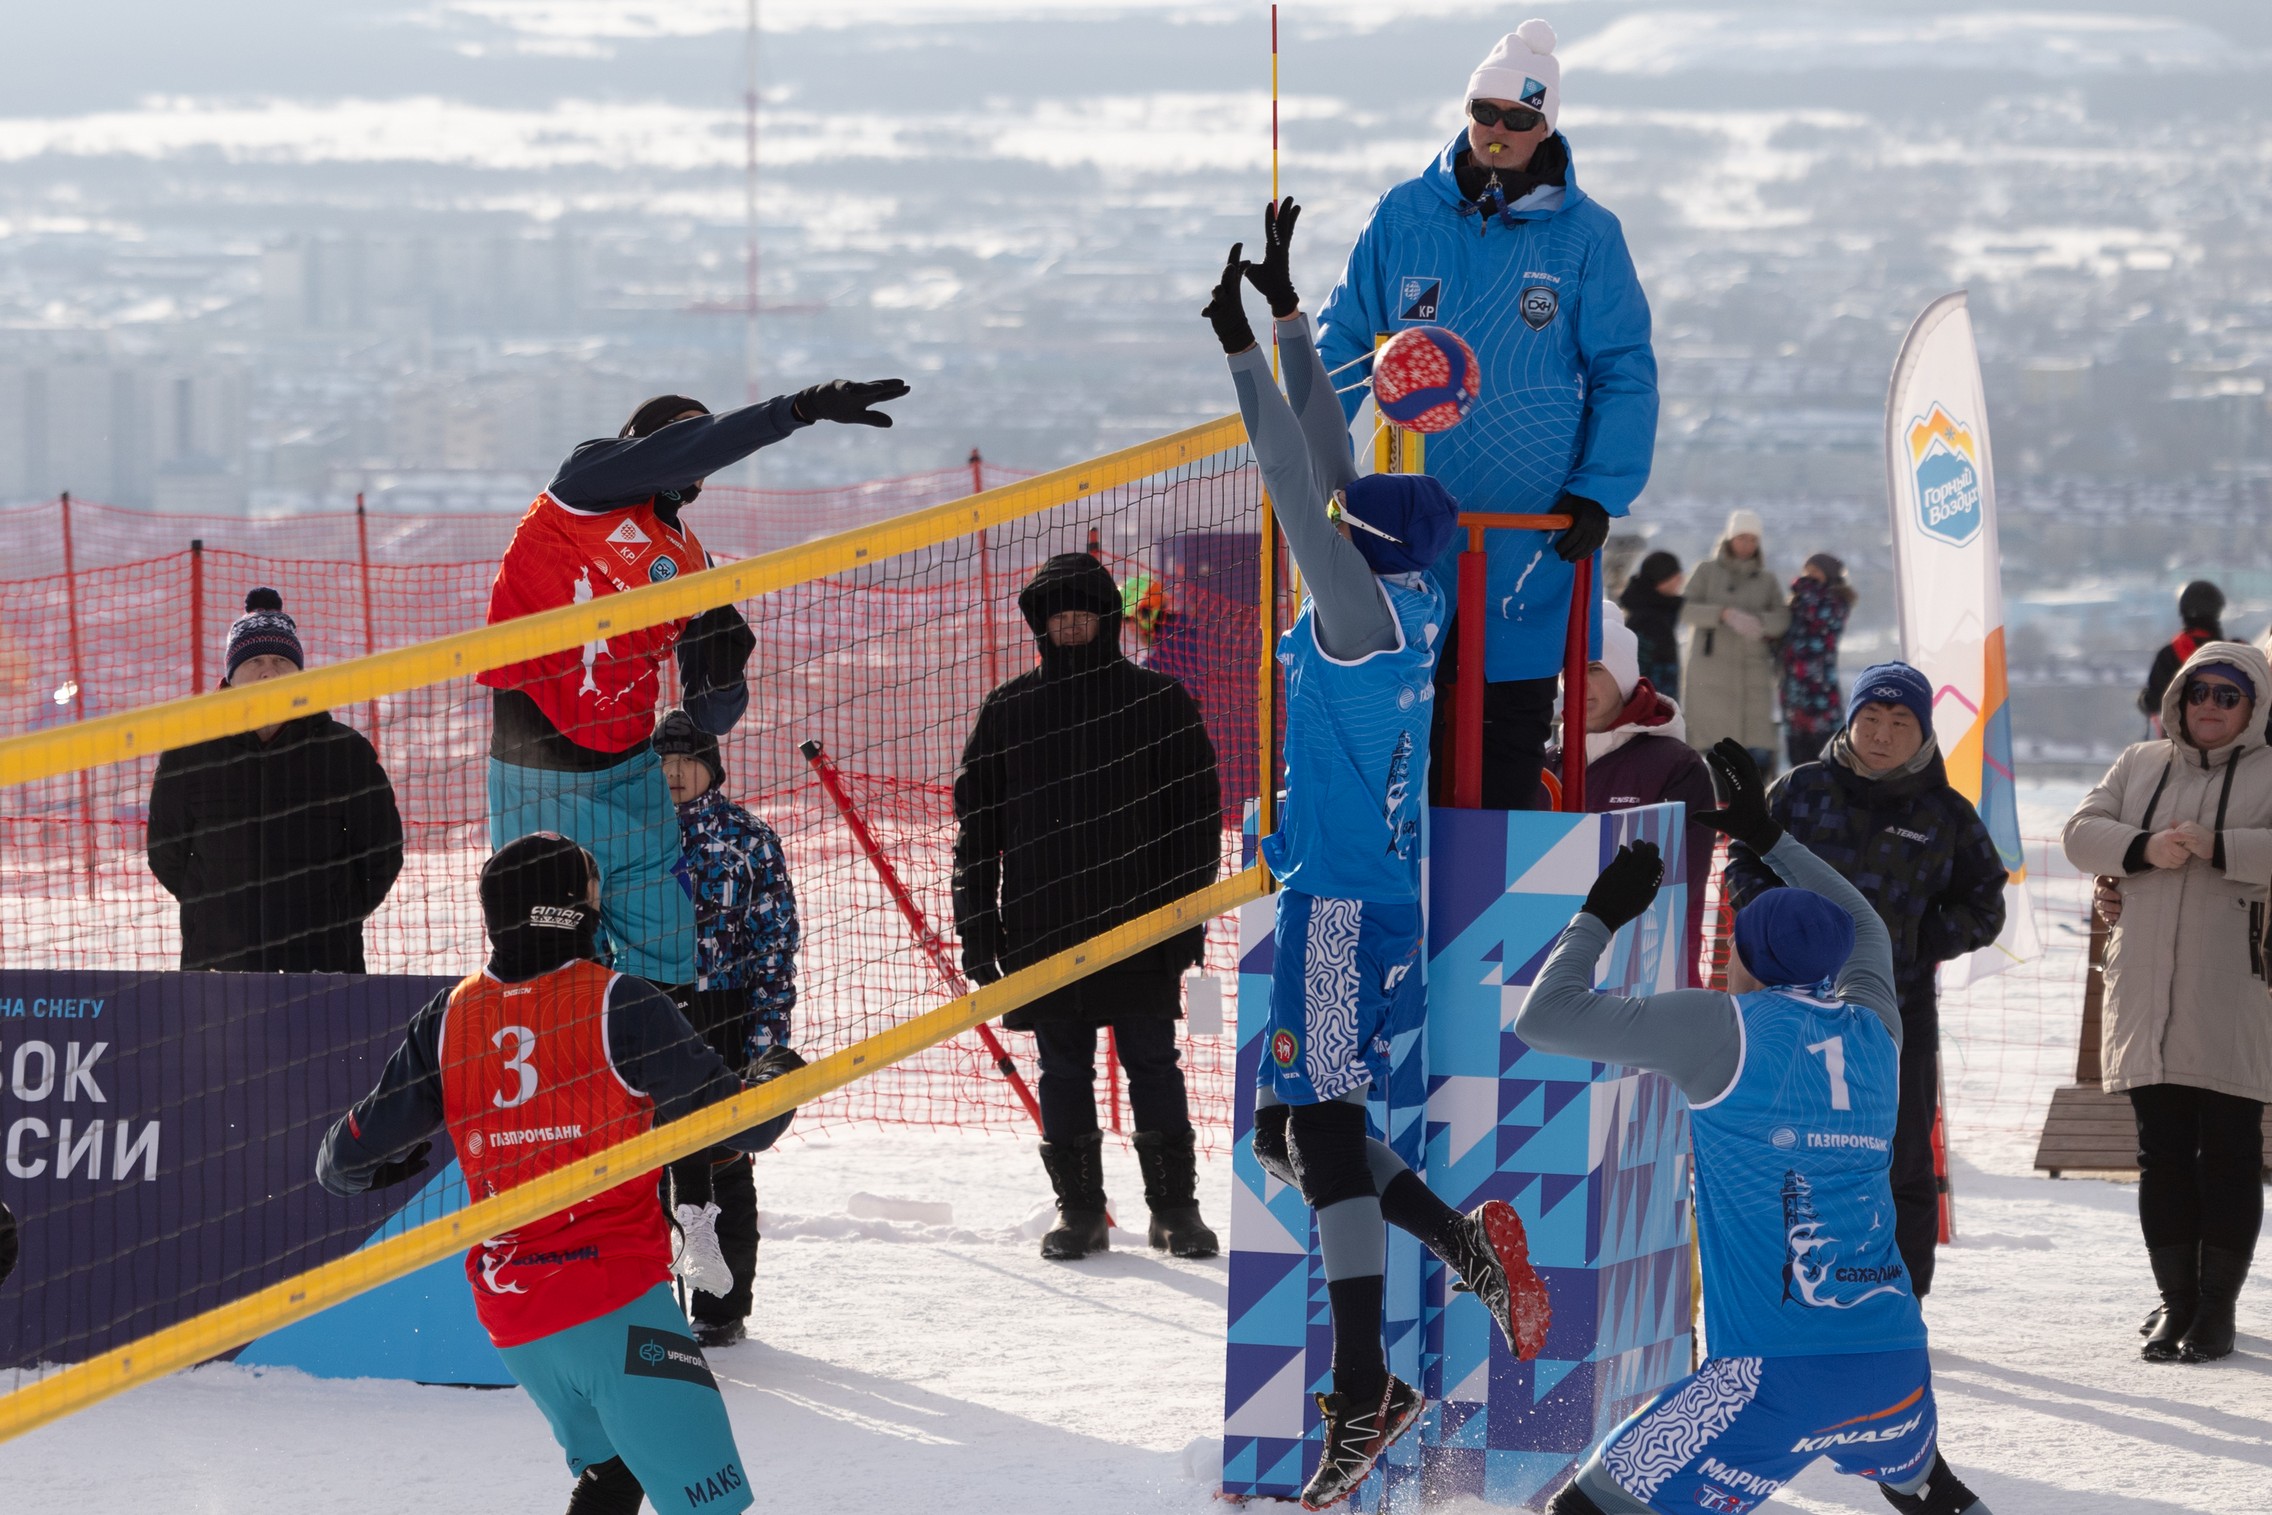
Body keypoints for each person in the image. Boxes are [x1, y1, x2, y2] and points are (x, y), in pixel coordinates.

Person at [1209, 201, 1551, 1511]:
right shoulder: (1412, 593)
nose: (1331, 526)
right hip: (1348, 898)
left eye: (1352, 524)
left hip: (1345, 909)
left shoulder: (1351, 612)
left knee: (1324, 1131)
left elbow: (1299, 481)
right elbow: (1334, 462)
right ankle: (1458, 1242)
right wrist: (1296, 314)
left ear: (1367, 548)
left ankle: (1367, 1382)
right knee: (1285, 1127)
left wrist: (1239, 348)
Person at [1522, 742, 1995, 1515]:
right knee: (1929, 1491)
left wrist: (1598, 914)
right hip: (1892, 1358)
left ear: (1741, 955)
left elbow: (1542, 1018)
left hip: (1768, 1374)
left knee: (1588, 1508)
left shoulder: (1721, 1028)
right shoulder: (1876, 1024)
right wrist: (1767, 835)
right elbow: (1866, 924)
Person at [317, 832, 807, 1515]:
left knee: (614, 1473)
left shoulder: (448, 1016)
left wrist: (372, 1169)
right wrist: (782, 1075)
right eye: (593, 899)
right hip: (614, 1304)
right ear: (569, 911)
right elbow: (750, 1124)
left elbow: (340, 1161)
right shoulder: (621, 1004)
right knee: (709, 1507)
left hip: (515, 1313)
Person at [1315, 18, 1657, 812]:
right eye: (1486, 111)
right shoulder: (1402, 215)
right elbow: (1338, 345)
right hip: (1405, 528)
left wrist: (1598, 491)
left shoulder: (1588, 237)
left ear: (1548, 127)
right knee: (1401, 735)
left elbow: (1625, 372)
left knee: (1503, 742)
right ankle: (1398, 917)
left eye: (1521, 119)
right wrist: (1309, 467)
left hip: (1526, 533)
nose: (1498, 131)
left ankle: (1492, 920)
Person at [480, 380, 905, 998]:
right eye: (681, 436)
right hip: (542, 769)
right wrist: (800, 407)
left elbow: (711, 714)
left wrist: (724, 673)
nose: (697, 455)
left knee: (666, 970)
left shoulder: (692, 562)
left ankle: (657, 1088)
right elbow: (693, 445)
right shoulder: (586, 484)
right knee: (553, 968)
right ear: (640, 445)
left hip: (634, 778)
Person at [952, 552, 1224, 1262]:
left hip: (1143, 928)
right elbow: (976, 831)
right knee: (1063, 1072)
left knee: (1153, 1065)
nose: (1070, 626)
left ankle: (1175, 1210)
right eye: (1057, 616)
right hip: (1046, 931)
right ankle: (1081, 1213)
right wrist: (979, 930)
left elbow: (1197, 819)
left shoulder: (1160, 701)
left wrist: (1183, 917)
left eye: (1082, 613)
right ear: (1040, 625)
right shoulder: (1009, 710)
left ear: (1107, 618)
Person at [1722, 663, 2006, 1299]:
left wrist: (1915, 940)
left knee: (1901, 1161)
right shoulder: (1798, 790)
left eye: (1899, 723)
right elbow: (1743, 859)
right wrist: (1773, 924)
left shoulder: (1947, 813)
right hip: (1787, 1010)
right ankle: (1791, 1294)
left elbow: (1987, 904)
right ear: (1849, 723)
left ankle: (1902, 1303)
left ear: (1924, 733)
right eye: (1869, 719)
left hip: (1896, 1017)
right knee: (1791, 1156)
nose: (1881, 734)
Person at [2062, 639, 2270, 1364]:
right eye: (2198, 691)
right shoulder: (2140, 762)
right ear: (2177, 697)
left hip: (2235, 994)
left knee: (2233, 1155)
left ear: (2253, 705)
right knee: (2163, 1155)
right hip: (2146, 992)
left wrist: (2219, 846)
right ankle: (2176, 1301)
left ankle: (2217, 1309)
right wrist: (2143, 848)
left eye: (2227, 694)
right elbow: (2081, 833)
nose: (2209, 705)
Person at [147, 588, 404, 972]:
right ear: (231, 676)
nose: (269, 670)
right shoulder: (189, 752)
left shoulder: (345, 752)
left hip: (323, 962)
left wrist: (338, 911)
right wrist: (208, 907)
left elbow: (381, 851)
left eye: (282, 660)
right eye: (255, 661)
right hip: (218, 962)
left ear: (299, 674)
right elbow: (165, 852)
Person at [651, 709, 800, 1348]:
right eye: (662, 762)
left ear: (711, 766)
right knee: (646, 1165)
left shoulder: (747, 838)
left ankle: (721, 1305)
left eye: (688, 761)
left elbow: (776, 944)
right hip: (647, 1011)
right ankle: (651, 1297)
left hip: (726, 1013)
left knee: (725, 1161)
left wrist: (766, 1038)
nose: (675, 774)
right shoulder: (630, 835)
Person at [1546, 607, 1715, 986]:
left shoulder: (1674, 765)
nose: (1578, 682)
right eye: (1566, 670)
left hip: (1644, 971)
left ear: (1622, 676)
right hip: (1556, 966)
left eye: (1593, 668)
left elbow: (1680, 888)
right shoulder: (1546, 768)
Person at [1680, 510, 1788, 774]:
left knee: (1754, 757)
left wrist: (1758, 622)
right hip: (1710, 674)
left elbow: (1783, 618)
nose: (1747, 545)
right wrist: (1722, 614)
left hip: (1753, 675)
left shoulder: (1766, 579)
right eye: (1742, 538)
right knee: (1714, 754)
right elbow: (1684, 609)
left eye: (1753, 540)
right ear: (1729, 539)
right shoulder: (1706, 571)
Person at [1780, 553, 1856, 770]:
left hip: (1820, 688)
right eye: (1806, 572)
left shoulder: (1837, 601)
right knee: (1798, 754)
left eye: (1815, 572)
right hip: (1794, 688)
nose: (1809, 577)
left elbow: (1820, 616)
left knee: (1823, 753)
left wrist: (1803, 588)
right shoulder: (1801, 600)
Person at [2139, 580, 2225, 736]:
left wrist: (2144, 700)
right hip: (2223, 742)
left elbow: (2154, 701)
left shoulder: (2169, 654)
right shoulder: (2232, 652)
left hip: (2179, 743)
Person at [1617, 550, 1684, 700]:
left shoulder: (1662, 608)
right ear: (1660, 580)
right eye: (1675, 577)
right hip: (1649, 705)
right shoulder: (1645, 617)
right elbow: (1638, 672)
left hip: (1659, 701)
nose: (1681, 581)